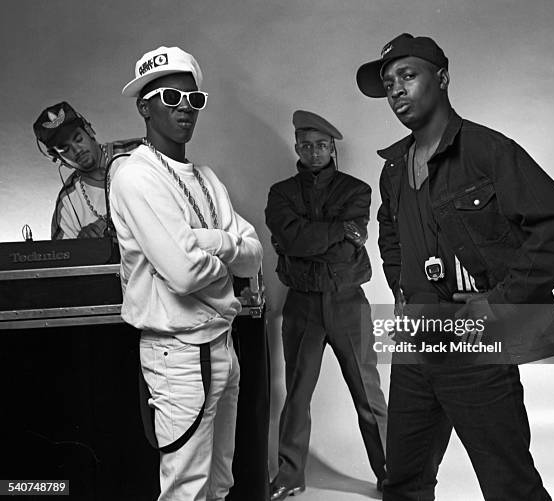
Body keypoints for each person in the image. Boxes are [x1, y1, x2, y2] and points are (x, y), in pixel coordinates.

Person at [356, 33, 554, 500]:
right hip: (415, 344)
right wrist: (407, 294)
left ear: (441, 78)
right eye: (388, 83)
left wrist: (500, 304)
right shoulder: (394, 167)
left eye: (407, 75)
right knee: (402, 482)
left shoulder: (487, 151)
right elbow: (392, 235)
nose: (396, 90)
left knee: (510, 486)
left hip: (475, 345)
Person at [110, 46, 263, 501]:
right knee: (186, 489)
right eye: (170, 97)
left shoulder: (207, 177)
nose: (184, 108)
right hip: (177, 354)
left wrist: (209, 240)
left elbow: (254, 257)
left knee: (219, 484)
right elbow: (183, 274)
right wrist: (224, 261)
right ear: (144, 105)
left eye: (194, 100)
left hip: (222, 344)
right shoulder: (135, 176)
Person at [265, 110, 388, 500]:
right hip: (301, 304)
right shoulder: (281, 193)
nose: (314, 152)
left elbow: (301, 243)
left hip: (347, 302)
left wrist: (300, 242)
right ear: (297, 147)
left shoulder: (357, 190)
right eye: (306, 146)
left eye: (321, 146)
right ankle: (289, 474)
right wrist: (335, 233)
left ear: (332, 148)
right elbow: (295, 240)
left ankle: (393, 476)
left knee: (368, 395)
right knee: (297, 395)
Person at [33, 101, 141, 239]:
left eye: (78, 139)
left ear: (88, 131)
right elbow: (64, 257)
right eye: (65, 149)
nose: (77, 150)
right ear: (57, 157)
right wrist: (83, 247)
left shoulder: (138, 152)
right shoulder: (67, 203)